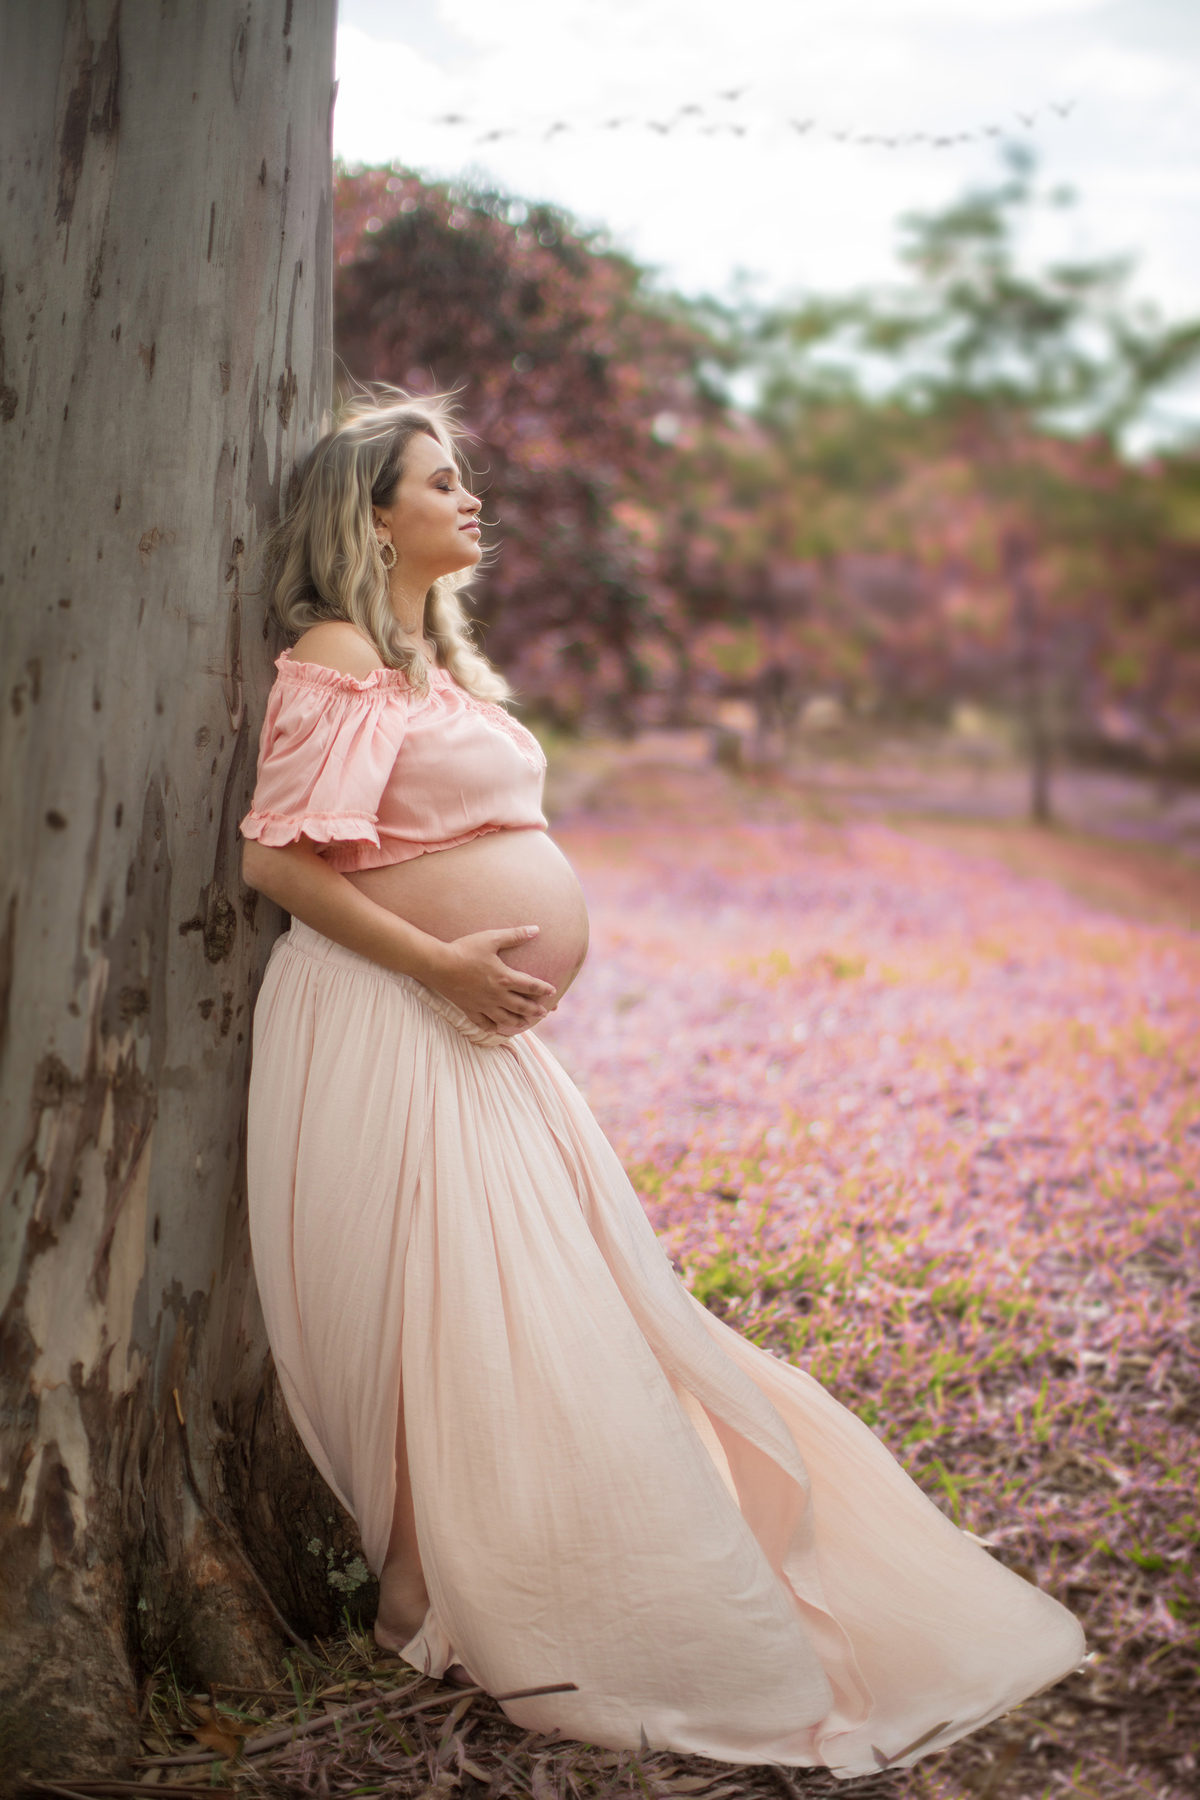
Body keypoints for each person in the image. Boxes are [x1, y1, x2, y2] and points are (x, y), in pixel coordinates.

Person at [239, 389, 1085, 1776]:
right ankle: (417, 1584)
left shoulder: (429, 666)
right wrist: (444, 966)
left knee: (518, 1299)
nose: (470, 500)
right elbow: (280, 864)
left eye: (465, 479)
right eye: (439, 482)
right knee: (424, 1293)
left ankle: (451, 1577)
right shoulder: (336, 652)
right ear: (370, 513)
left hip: (467, 1024)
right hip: (388, 1012)